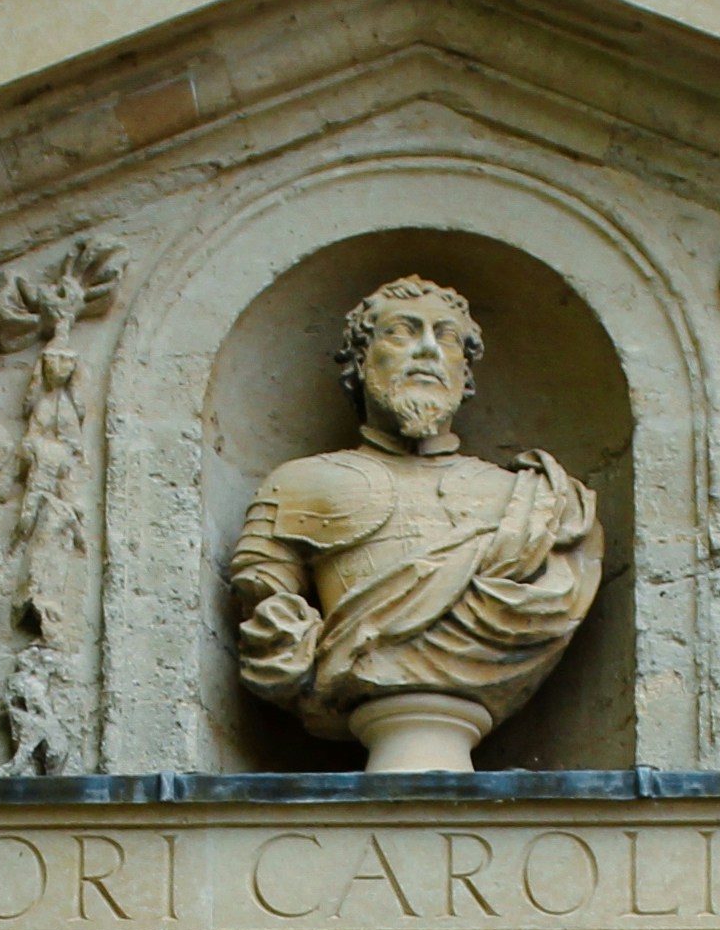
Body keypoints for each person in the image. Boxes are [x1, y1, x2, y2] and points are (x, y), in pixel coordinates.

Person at [224, 273, 605, 773]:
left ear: (465, 373)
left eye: (446, 338)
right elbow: (269, 605)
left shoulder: (537, 501)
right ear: (361, 361)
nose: (427, 351)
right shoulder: (299, 484)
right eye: (402, 332)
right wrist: (282, 629)